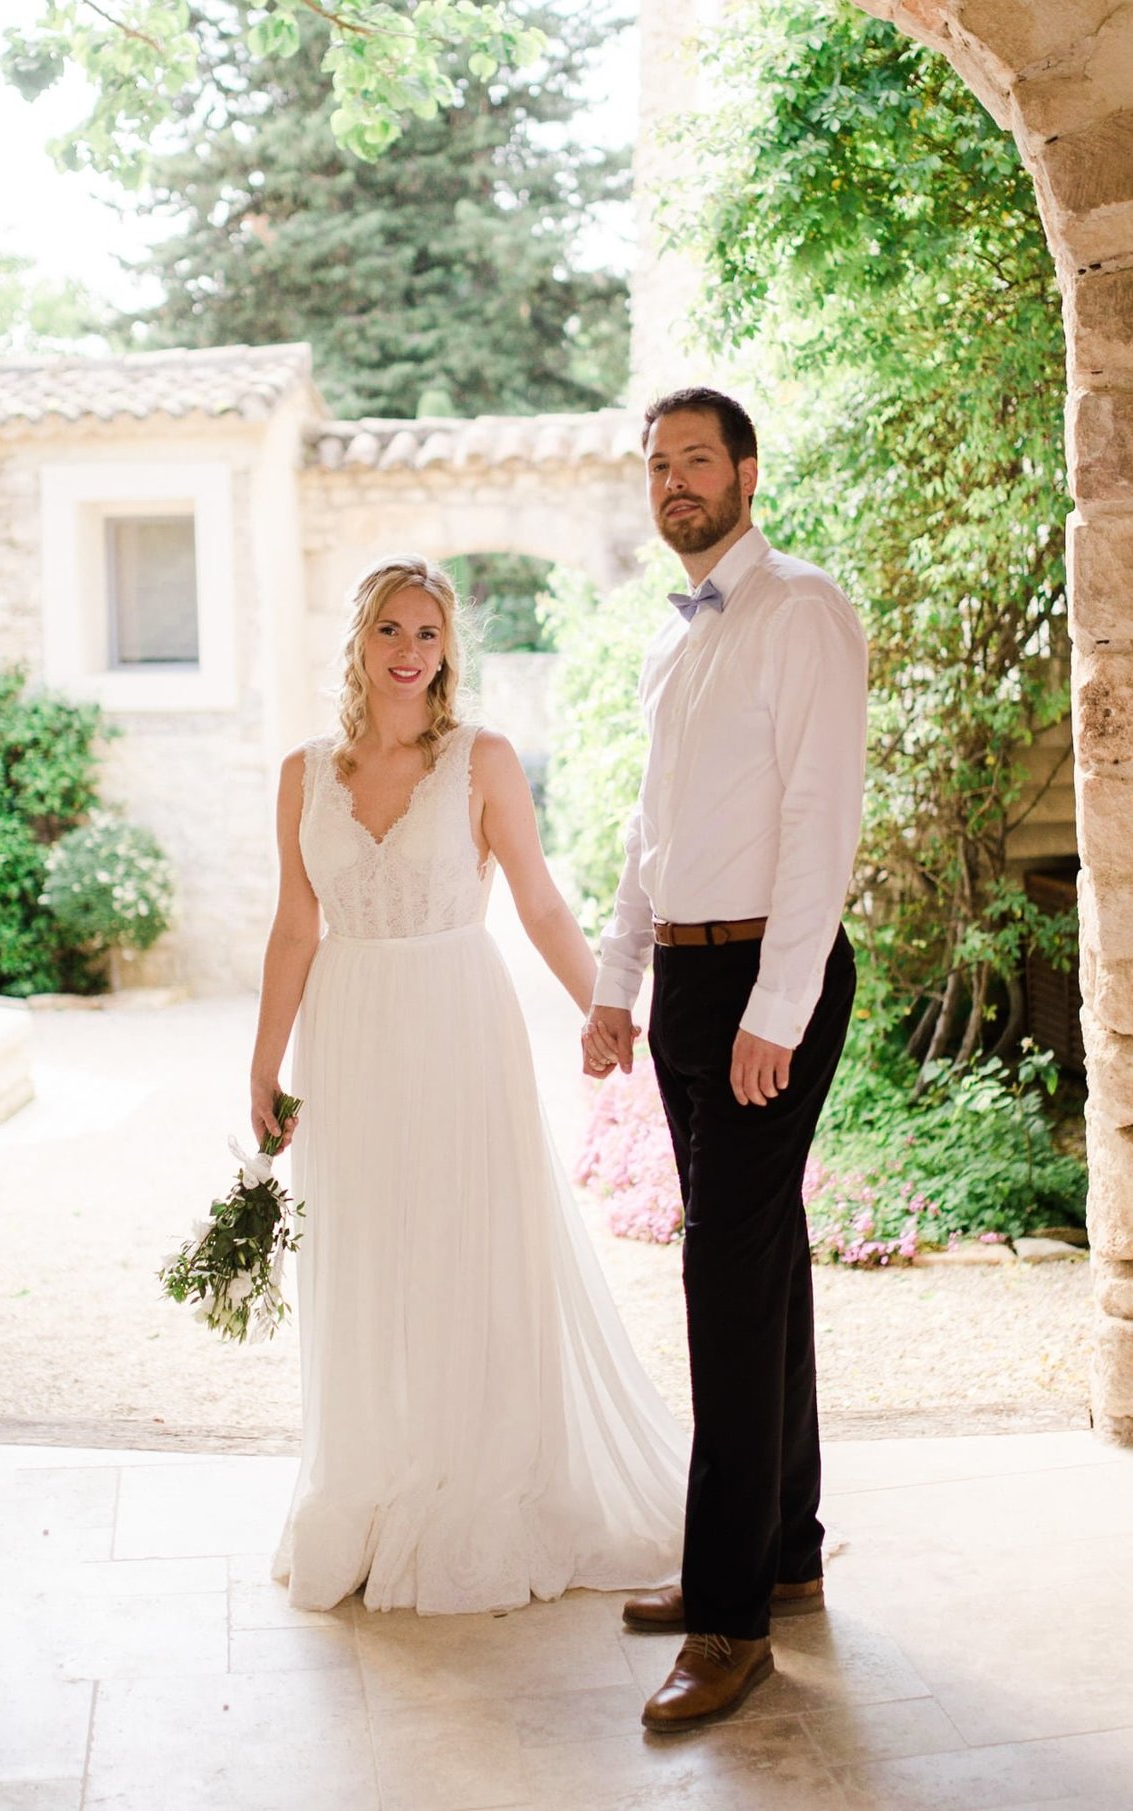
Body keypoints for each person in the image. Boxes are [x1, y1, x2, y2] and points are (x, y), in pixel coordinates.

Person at [251, 553, 687, 1616]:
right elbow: (296, 923)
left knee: (464, 1245)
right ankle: (370, 1484)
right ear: (360, 638)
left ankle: (477, 1488)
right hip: (346, 1037)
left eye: (428, 634)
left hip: (457, 1022)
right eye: (391, 630)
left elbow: (537, 900)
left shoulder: (481, 758)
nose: (409, 652)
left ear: (450, 649)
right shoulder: (304, 773)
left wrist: (607, 1006)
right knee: (366, 1253)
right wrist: (262, 1065)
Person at [582, 387, 868, 1731]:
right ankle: (784, 1548)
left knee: (721, 1276)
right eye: (658, 465)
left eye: (696, 458)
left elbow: (821, 816)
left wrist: (783, 1003)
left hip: (770, 977)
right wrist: (615, 981)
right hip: (691, 975)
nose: (675, 481)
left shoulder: (800, 610)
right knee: (760, 1256)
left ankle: (727, 1616)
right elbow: (652, 829)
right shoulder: (671, 640)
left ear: (746, 471)